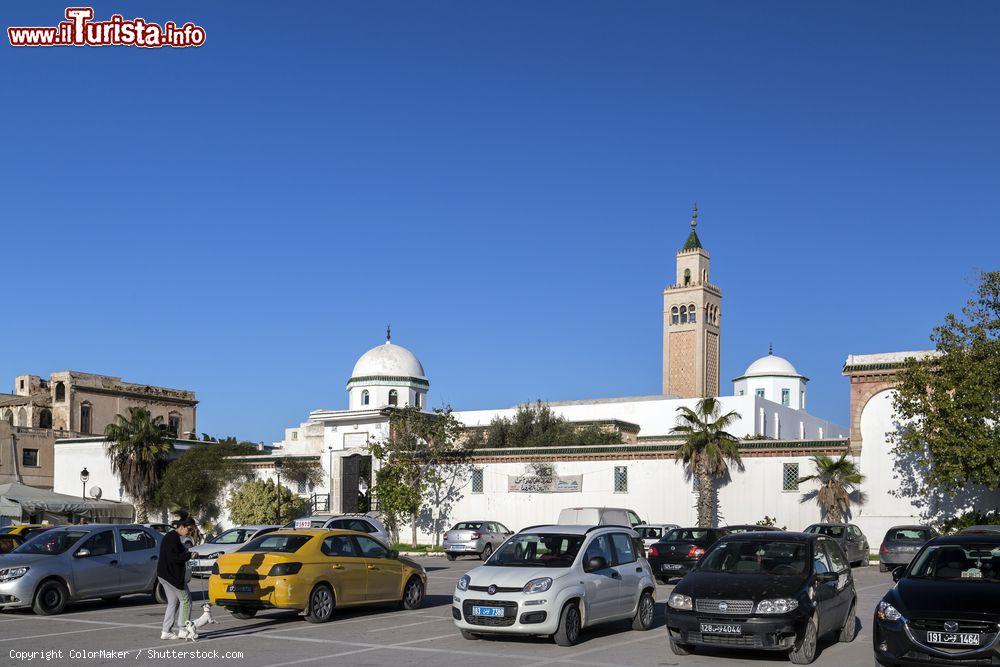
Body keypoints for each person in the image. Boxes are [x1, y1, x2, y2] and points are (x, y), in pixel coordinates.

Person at [158, 518, 195, 640]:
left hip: (165, 575)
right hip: (172, 576)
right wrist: (189, 555)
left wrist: (187, 552)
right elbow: (175, 557)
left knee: (173, 602)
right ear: (182, 527)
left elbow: (176, 553)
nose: (189, 532)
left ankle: (166, 631)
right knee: (186, 601)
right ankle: (183, 629)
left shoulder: (172, 537)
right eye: (189, 529)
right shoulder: (172, 538)